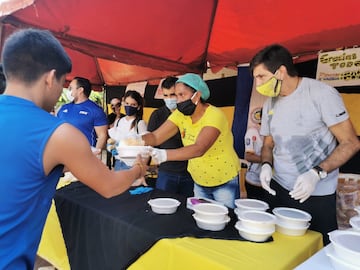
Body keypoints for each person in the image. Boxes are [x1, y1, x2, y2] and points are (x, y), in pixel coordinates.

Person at [0, 28, 148, 269]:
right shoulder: (59, 134)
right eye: (62, 83)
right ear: (50, 78)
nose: (62, 91)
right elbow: (109, 187)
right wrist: (138, 169)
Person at [249, 44, 360, 245]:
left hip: (316, 192)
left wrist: (316, 173)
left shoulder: (321, 94)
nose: (257, 84)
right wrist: (266, 165)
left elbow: (350, 143)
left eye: (261, 77)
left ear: (281, 71)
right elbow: (268, 144)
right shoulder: (270, 104)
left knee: (317, 251)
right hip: (279, 189)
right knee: (279, 246)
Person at [143, 73, 240, 208]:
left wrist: (164, 155)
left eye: (182, 95)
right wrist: (136, 140)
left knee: (224, 220)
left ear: (197, 95)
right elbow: (155, 137)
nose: (178, 100)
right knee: (202, 220)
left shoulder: (214, 115)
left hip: (223, 180)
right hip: (199, 180)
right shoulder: (180, 115)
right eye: (176, 96)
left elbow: (199, 148)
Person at [147, 76, 194, 197]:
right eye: (166, 96)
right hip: (167, 171)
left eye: (173, 95)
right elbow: (151, 141)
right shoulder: (158, 115)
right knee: (163, 205)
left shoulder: (190, 113)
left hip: (191, 171)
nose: (169, 99)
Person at [57, 76, 108, 156]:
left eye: (71, 88)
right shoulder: (63, 108)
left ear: (80, 90)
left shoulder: (95, 110)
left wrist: (94, 155)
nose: (68, 90)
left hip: (84, 155)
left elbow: (102, 135)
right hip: (63, 155)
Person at [244, 109, 266, 200]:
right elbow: (248, 156)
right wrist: (268, 160)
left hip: (272, 182)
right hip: (253, 180)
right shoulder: (253, 132)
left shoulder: (277, 133)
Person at [106, 97, 125, 169]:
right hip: (111, 140)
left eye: (118, 105)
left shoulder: (124, 116)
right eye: (113, 105)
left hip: (120, 140)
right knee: (109, 155)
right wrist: (117, 115)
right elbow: (111, 128)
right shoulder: (109, 117)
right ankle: (108, 168)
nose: (115, 107)